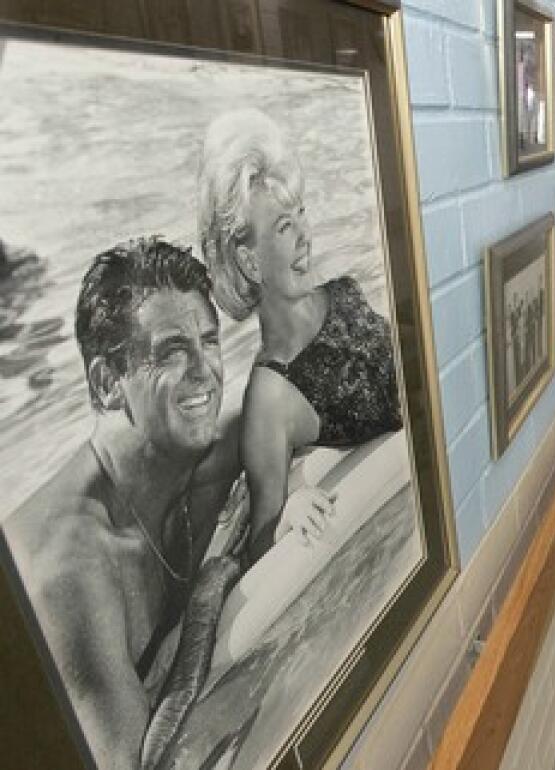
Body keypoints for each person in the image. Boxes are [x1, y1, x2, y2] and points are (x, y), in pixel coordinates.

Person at [2, 238, 245, 770]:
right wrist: (204, 600)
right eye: (173, 352)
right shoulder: (73, 571)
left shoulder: (193, 455)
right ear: (108, 385)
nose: (206, 371)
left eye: (209, 342)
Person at [198, 108, 402, 561]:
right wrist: (289, 513)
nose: (306, 236)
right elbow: (258, 542)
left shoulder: (345, 291)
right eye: (285, 227)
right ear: (250, 261)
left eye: (302, 214)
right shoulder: (270, 396)